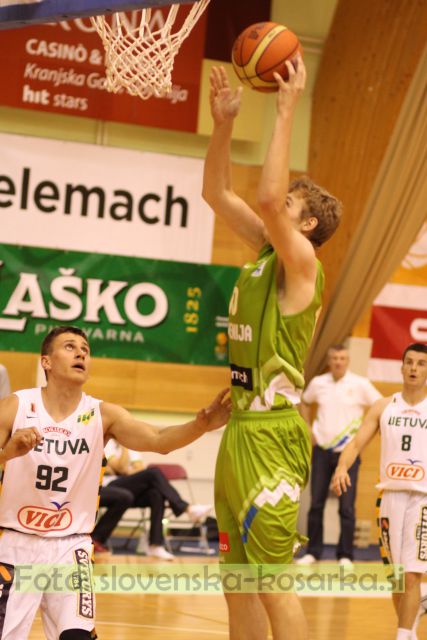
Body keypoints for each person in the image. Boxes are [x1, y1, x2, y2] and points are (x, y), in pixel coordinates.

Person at [202, 58, 342, 640]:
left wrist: (286, 110)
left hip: (274, 438)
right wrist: (224, 123)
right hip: (239, 431)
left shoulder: (304, 264)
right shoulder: (265, 251)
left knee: (271, 579)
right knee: (237, 583)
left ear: (307, 224)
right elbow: (216, 191)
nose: (277, 204)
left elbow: (262, 196)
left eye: (289, 205)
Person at [0, 325, 231, 640]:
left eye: (86, 349)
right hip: (15, 545)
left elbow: (159, 440)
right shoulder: (16, 406)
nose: (81, 352)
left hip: (71, 547)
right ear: (46, 362)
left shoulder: (102, 414)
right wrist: (8, 453)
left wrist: (201, 424)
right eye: (70, 346)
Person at [333, 342, 427, 640]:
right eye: (409, 362)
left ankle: (402, 635)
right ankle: (409, 629)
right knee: (396, 579)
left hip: (423, 499)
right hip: (389, 498)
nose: (414, 368)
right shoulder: (383, 406)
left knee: (412, 574)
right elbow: (357, 443)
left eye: (421, 363)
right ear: (401, 367)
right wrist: (341, 468)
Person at [297, 343, 382, 566]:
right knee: (316, 503)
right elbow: (304, 402)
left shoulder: (360, 384)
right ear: (329, 361)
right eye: (334, 358)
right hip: (322, 452)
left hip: (349, 455)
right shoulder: (318, 383)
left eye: (342, 358)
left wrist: (364, 438)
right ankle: (313, 552)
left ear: (348, 360)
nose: (338, 362)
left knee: (346, 507)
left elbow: (381, 406)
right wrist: (307, 428)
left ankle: (345, 555)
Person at [91, 440, 212, 560]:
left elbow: (139, 468)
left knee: (156, 493)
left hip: (127, 487)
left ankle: (155, 545)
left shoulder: (133, 444)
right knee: (153, 472)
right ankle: (187, 508)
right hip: (109, 485)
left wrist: (126, 470)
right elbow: (121, 467)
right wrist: (124, 447)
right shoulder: (108, 442)